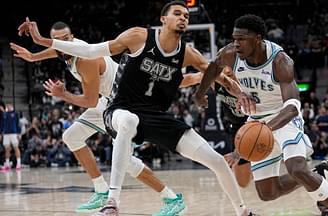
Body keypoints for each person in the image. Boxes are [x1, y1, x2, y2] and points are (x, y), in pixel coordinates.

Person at [19, 1, 257, 216]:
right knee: (125, 123)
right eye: (177, 13)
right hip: (119, 107)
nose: (184, 17)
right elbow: (90, 50)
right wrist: (39, 45)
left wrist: (241, 93)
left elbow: (216, 74)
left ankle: (243, 211)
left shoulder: (187, 53)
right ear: (163, 19)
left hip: (155, 114)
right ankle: (111, 201)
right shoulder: (138, 37)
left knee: (216, 160)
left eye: (186, 15)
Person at [12, 21, 206, 215]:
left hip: (124, 105)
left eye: (65, 39)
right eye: (58, 41)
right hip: (106, 103)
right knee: (71, 136)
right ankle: (101, 190)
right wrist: (32, 57)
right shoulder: (65, 49)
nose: (62, 43)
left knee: (126, 162)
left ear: (71, 38)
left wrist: (63, 95)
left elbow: (89, 100)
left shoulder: (84, 59)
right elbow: (57, 50)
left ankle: (171, 199)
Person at [194, 14, 328, 216]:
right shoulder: (230, 54)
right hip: (257, 120)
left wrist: (264, 129)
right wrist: (200, 94)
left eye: (242, 39)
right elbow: (213, 67)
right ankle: (319, 174)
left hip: (284, 117)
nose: (236, 44)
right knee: (268, 193)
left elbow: (293, 107)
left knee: (296, 168)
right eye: (235, 38)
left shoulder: (280, 61)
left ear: (258, 39)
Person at [0, 103, 22, 171]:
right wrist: (1, 133)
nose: (8, 107)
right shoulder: (4, 114)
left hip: (14, 133)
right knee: (7, 149)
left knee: (16, 147)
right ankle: (7, 164)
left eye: (9, 106)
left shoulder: (15, 113)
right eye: (7, 106)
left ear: (11, 106)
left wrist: (19, 133)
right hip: (6, 134)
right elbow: (2, 124)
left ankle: (19, 164)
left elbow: (18, 123)